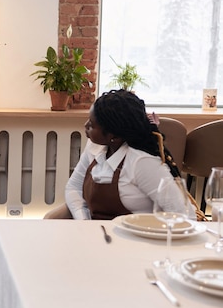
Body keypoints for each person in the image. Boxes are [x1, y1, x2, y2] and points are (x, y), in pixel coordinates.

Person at [64, 89, 199, 220]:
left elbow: (185, 215)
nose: (85, 125)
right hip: (98, 233)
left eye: (91, 125)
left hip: (136, 236)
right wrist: (83, 220)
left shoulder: (142, 162)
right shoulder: (95, 146)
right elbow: (73, 188)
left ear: (114, 137)